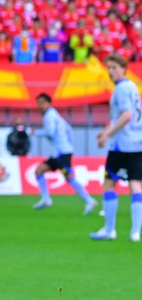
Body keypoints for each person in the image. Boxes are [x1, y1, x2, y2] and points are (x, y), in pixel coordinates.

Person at [92, 54, 142, 242]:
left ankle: (109, 229)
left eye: (114, 68)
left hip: (122, 146)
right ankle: (135, 233)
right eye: (109, 68)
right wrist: (108, 129)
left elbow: (127, 115)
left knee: (109, 183)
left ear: (123, 68)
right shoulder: (133, 87)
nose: (110, 72)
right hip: (138, 143)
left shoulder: (121, 88)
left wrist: (108, 133)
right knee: (136, 185)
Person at [31, 93, 96, 213]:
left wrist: (35, 132)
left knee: (69, 177)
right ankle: (46, 199)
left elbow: (50, 132)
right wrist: (70, 145)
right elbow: (68, 129)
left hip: (62, 153)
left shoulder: (50, 115)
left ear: (48, 103)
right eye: (38, 103)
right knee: (39, 171)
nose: (39, 106)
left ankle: (89, 200)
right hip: (61, 152)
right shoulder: (54, 115)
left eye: (42, 103)